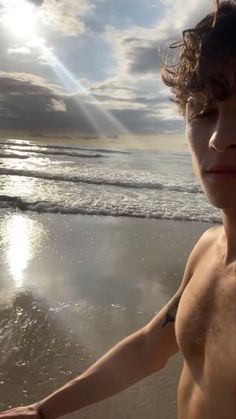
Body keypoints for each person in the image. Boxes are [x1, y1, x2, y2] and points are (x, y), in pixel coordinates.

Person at [1, 1, 236, 418]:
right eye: (205, 112)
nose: (219, 139)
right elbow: (151, 345)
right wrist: (43, 410)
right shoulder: (209, 248)